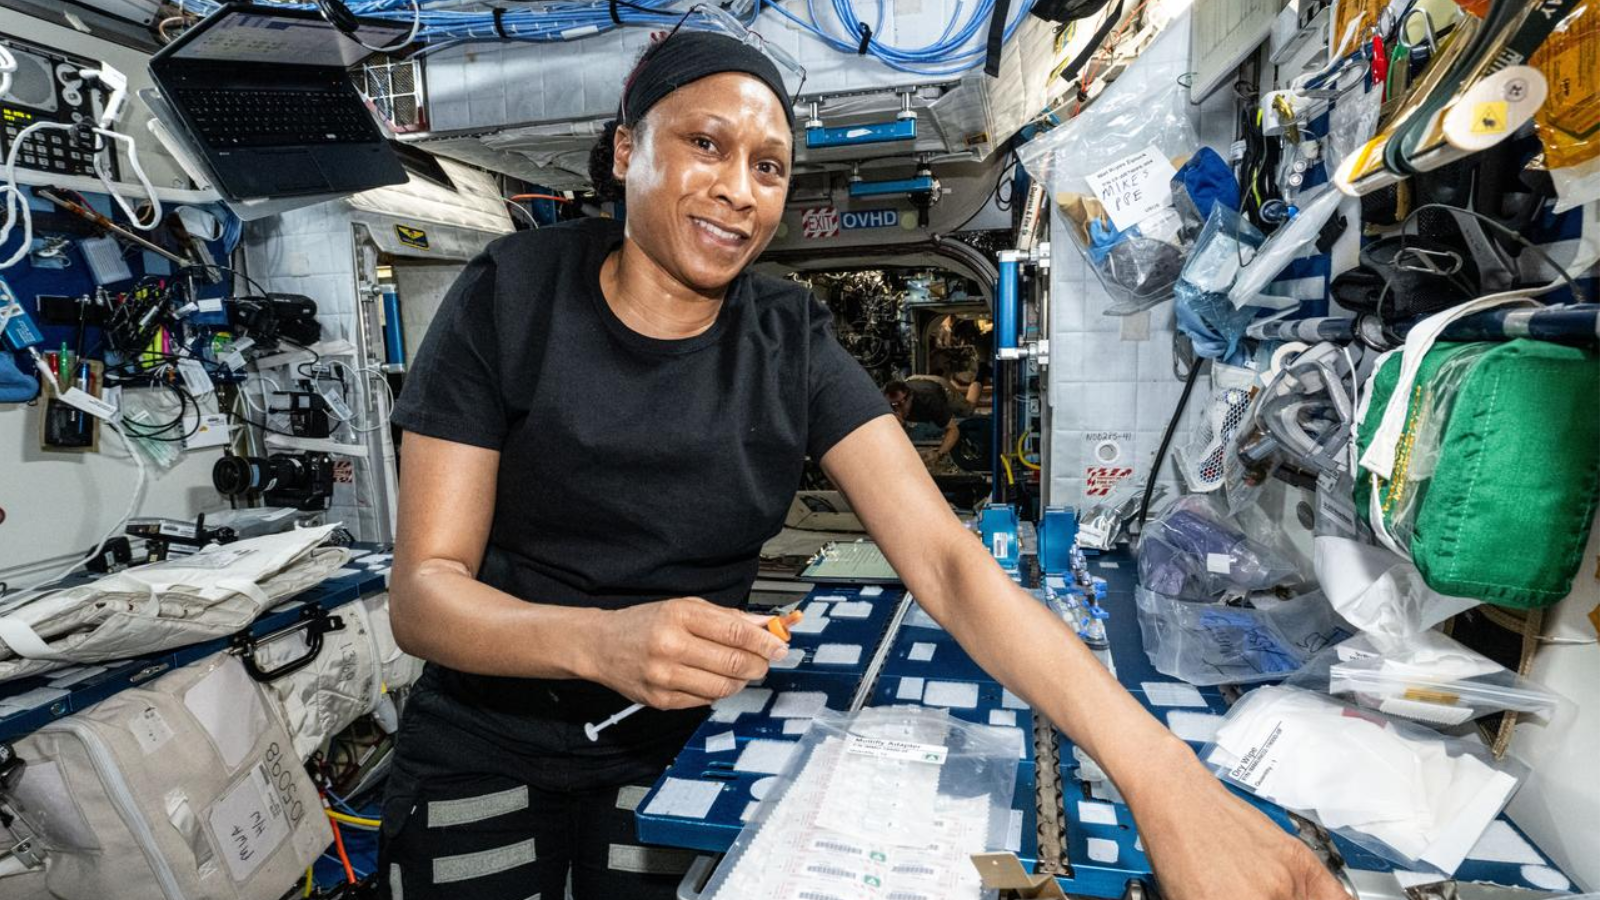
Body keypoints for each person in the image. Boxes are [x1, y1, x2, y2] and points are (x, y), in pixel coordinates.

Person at [383, 25, 1345, 900]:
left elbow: (949, 566)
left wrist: (1165, 780)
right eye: (705, 144)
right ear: (628, 148)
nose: (739, 188)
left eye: (769, 165)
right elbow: (425, 596)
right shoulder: (512, 295)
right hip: (488, 736)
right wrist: (598, 641)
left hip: (674, 740)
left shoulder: (786, 335)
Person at [884, 377, 962, 464]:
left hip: (939, 385)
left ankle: (971, 384)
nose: (897, 409)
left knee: (966, 410)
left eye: (900, 404)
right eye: (892, 405)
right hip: (912, 381)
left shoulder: (930, 399)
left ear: (910, 397)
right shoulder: (883, 401)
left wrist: (939, 455)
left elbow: (954, 430)